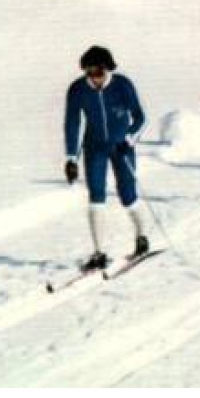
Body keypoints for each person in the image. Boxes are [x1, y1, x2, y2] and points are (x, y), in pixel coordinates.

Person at [63, 45, 149, 270]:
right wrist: (71, 157)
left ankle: (142, 237)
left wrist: (129, 139)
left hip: (122, 146)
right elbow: (72, 123)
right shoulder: (77, 90)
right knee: (96, 196)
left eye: (99, 72)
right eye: (89, 73)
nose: (95, 78)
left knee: (128, 194)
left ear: (108, 68)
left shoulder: (122, 85)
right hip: (95, 148)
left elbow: (141, 118)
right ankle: (99, 253)